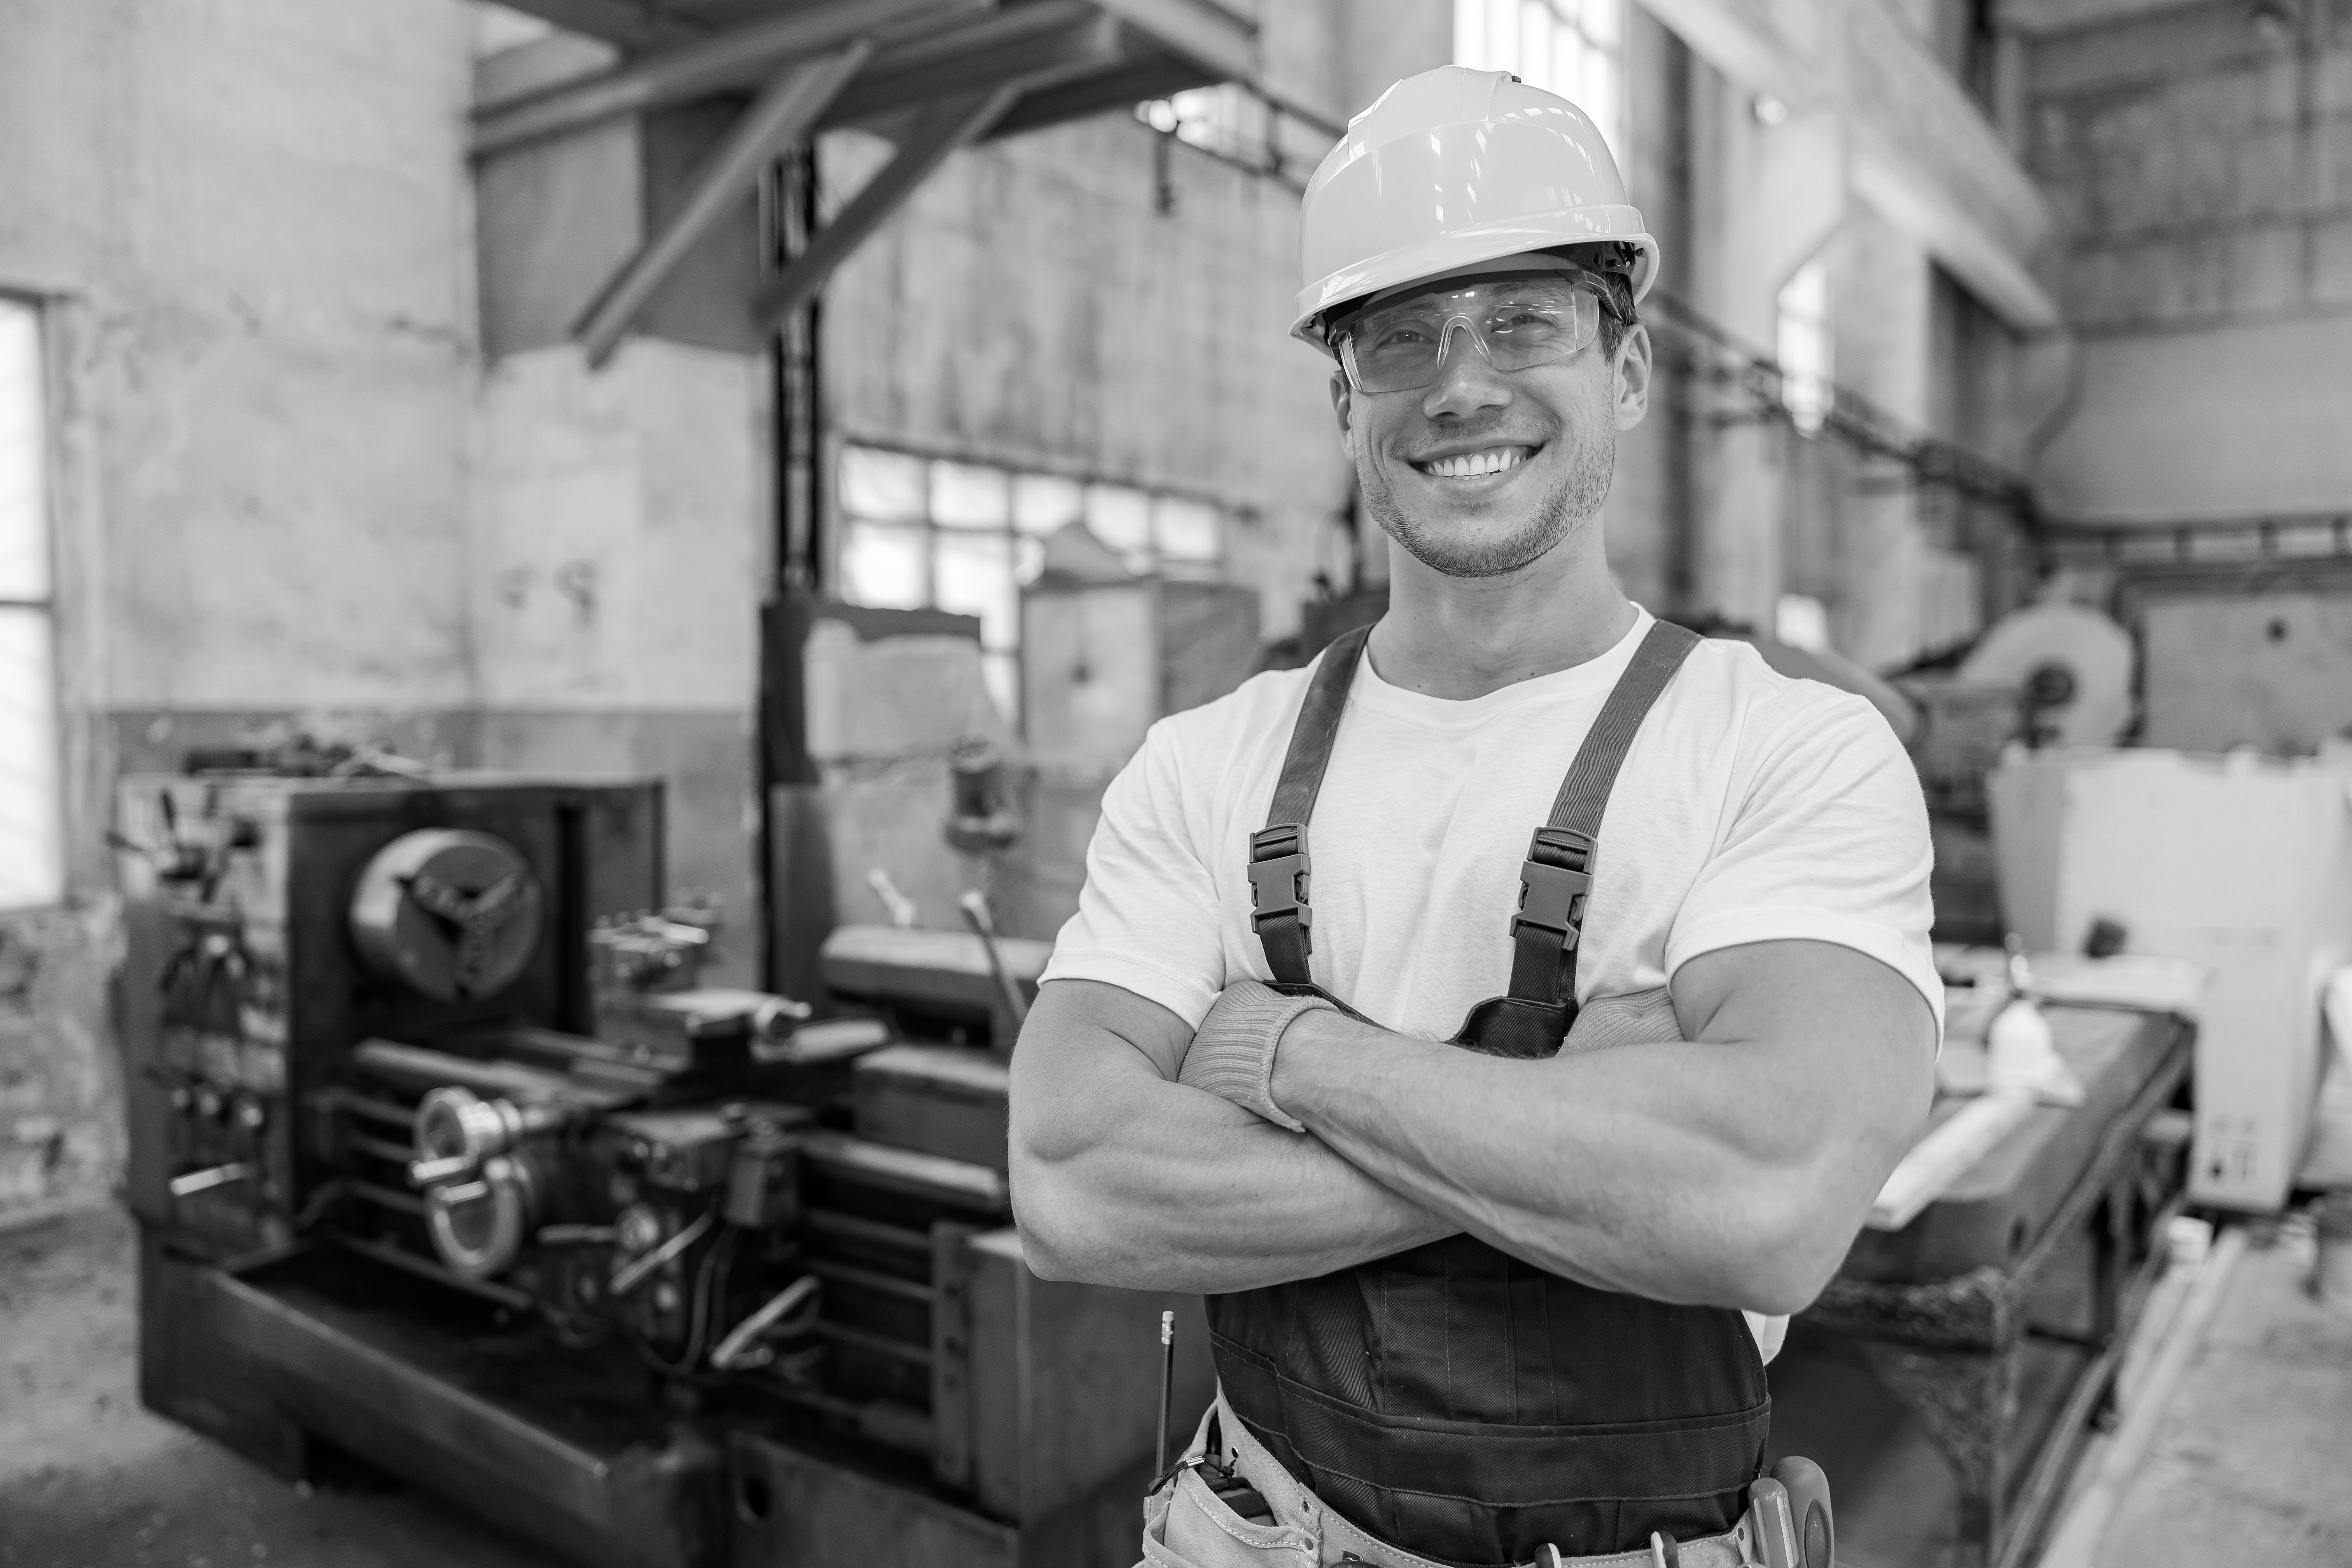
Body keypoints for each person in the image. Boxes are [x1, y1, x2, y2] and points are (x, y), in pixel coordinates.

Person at [1008, 65, 1939, 1567]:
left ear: (1626, 370)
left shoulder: (1786, 750)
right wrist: (1590, 1113)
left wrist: (1286, 1053)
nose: (1461, 385)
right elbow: (1070, 1184)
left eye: (1525, 322)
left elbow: (1765, 1197)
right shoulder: (1205, 766)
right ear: (1347, 403)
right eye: (1401, 337)